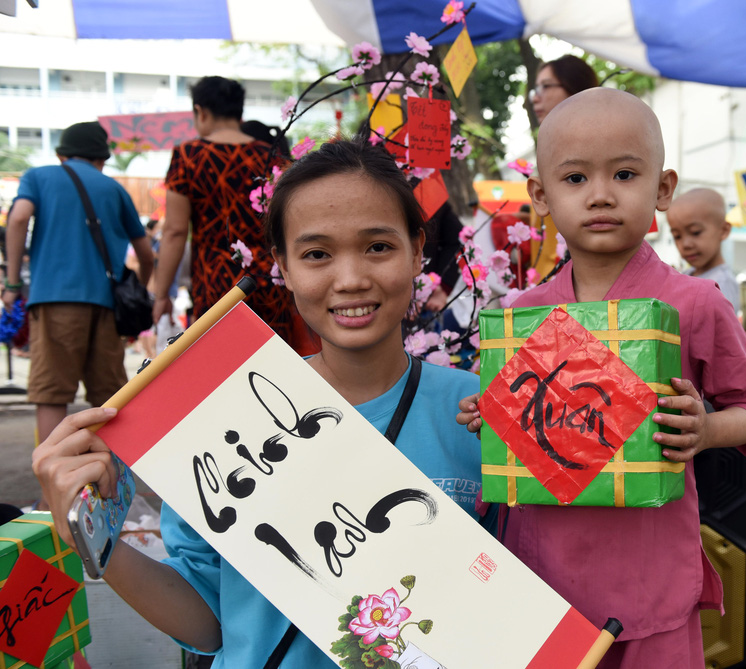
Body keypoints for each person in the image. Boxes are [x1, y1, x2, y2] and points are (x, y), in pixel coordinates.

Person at [32, 139, 495, 667]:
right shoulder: (224, 421)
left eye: (377, 247)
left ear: (416, 251)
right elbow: (207, 622)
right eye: (316, 254)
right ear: (283, 266)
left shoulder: (478, 414)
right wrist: (99, 543)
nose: (351, 279)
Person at [457, 88, 746, 668]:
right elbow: (523, 427)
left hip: (648, 570)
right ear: (542, 196)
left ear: (662, 189)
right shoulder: (522, 313)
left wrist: (706, 429)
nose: (601, 194)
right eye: (575, 178)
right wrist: (490, 415)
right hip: (543, 570)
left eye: (625, 174)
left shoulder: (694, 303)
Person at [3, 121, 153, 451]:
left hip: (53, 300)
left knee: (52, 394)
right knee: (110, 399)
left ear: (62, 155)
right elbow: (145, 254)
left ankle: (50, 478)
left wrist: (12, 282)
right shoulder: (114, 189)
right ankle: (117, 479)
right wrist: (136, 292)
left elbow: (18, 218)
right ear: (102, 158)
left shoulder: (38, 177)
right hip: (107, 307)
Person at [152, 76, 316, 356]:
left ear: (200, 111)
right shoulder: (270, 156)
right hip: (270, 283)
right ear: (239, 111)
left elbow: (175, 232)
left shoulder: (188, 155)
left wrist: (161, 294)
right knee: (273, 369)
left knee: (219, 367)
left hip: (215, 288)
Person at [527, 55, 600, 278]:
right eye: (535, 89)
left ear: (575, 88)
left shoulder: (604, 145)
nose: (535, 98)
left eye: (546, 86)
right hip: (548, 284)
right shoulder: (550, 148)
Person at [666, 188, 740, 313]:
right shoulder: (687, 274)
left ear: (724, 230)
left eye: (695, 232)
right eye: (677, 236)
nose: (685, 244)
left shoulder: (722, 284)